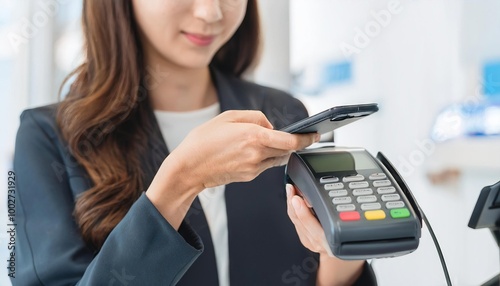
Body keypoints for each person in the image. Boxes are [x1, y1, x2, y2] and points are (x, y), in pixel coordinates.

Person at [13, 1, 377, 285]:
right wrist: (181, 180)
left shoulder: (283, 112)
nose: (211, 12)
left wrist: (342, 251)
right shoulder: (46, 136)